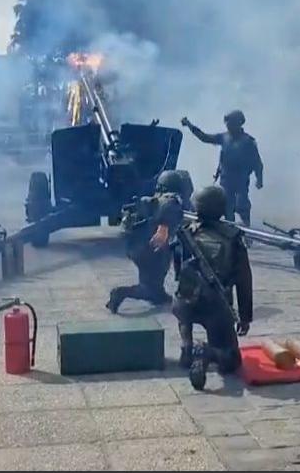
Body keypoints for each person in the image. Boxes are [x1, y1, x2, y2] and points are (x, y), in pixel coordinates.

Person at [173, 185, 253, 390]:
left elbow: (177, 266)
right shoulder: (232, 238)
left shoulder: (186, 232)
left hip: (185, 302)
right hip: (215, 306)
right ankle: (208, 353)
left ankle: (186, 345)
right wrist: (245, 316)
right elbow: (244, 281)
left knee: (184, 311)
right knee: (232, 361)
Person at [106, 170, 185, 313]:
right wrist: (164, 227)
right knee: (149, 286)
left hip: (139, 247)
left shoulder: (153, 199)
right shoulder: (169, 200)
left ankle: (157, 293)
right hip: (150, 249)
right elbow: (168, 207)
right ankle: (120, 293)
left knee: (155, 278)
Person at [181, 111, 263, 225]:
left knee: (242, 206)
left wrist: (259, 179)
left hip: (241, 181)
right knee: (227, 209)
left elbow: (257, 163)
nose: (228, 125)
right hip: (226, 180)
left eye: (231, 122)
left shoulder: (248, 142)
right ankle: (230, 233)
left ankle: (247, 232)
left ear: (239, 123)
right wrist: (190, 125)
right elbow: (204, 137)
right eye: (227, 123)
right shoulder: (224, 137)